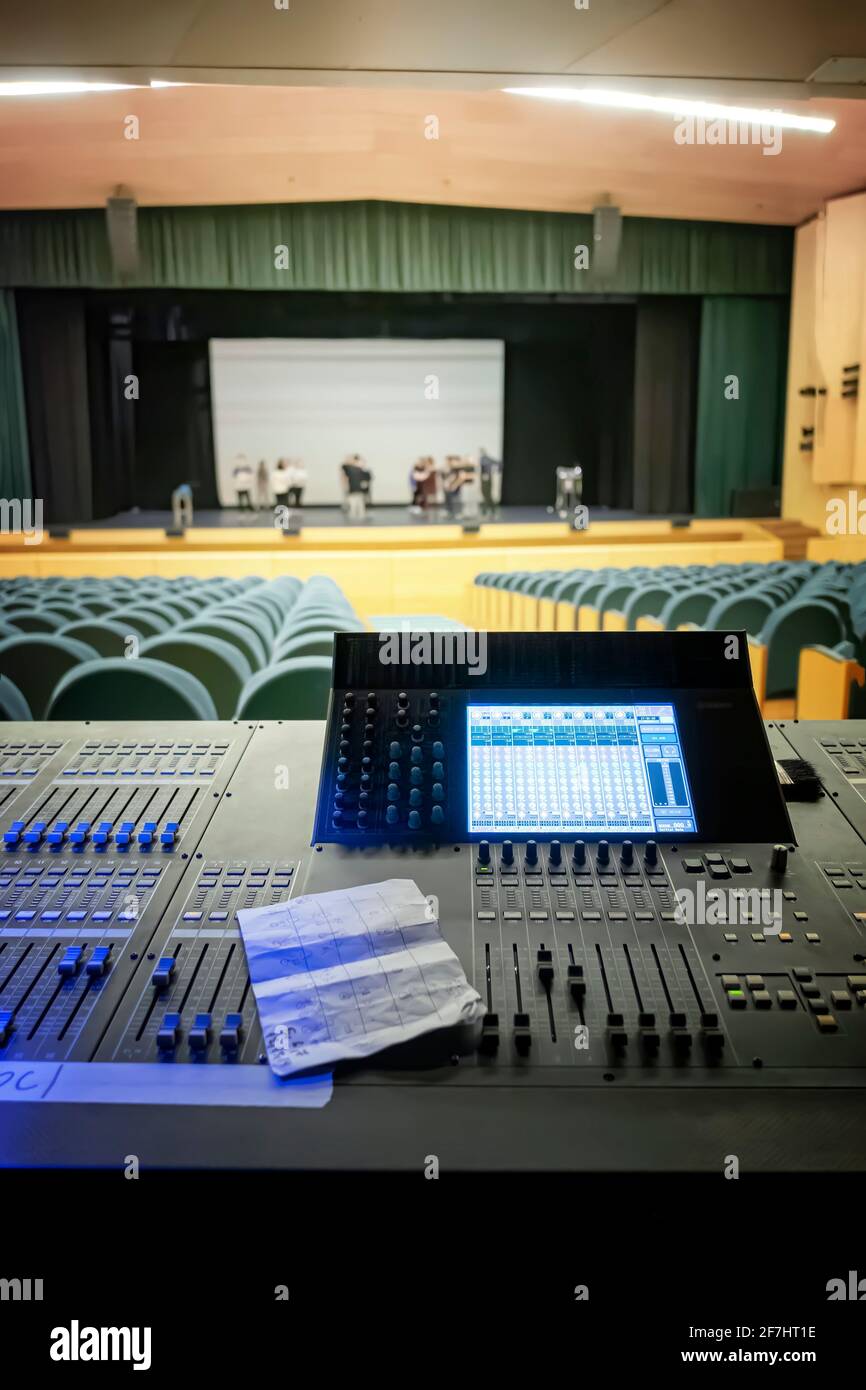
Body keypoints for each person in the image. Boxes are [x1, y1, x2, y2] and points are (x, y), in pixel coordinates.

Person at [341, 453, 368, 522]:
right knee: (352, 506)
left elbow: (366, 476)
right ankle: (353, 519)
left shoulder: (360, 469)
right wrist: (350, 459)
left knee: (360, 506)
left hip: (359, 490)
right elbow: (344, 465)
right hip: (352, 490)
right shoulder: (349, 469)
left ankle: (361, 517)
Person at [479, 446, 501, 518]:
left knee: (487, 495)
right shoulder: (485, 459)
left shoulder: (485, 459)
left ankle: (489, 511)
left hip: (486, 478)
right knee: (485, 495)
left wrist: (496, 471)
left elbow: (498, 463)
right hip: (485, 478)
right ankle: (487, 511)